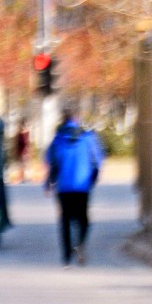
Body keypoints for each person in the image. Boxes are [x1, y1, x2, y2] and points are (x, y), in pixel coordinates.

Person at [44, 108, 105, 266]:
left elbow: (51, 162)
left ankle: (66, 256)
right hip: (82, 186)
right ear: (76, 120)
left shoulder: (58, 139)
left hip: (63, 187)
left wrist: (48, 183)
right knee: (83, 218)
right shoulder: (88, 138)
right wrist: (93, 179)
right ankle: (80, 243)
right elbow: (97, 160)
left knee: (65, 220)